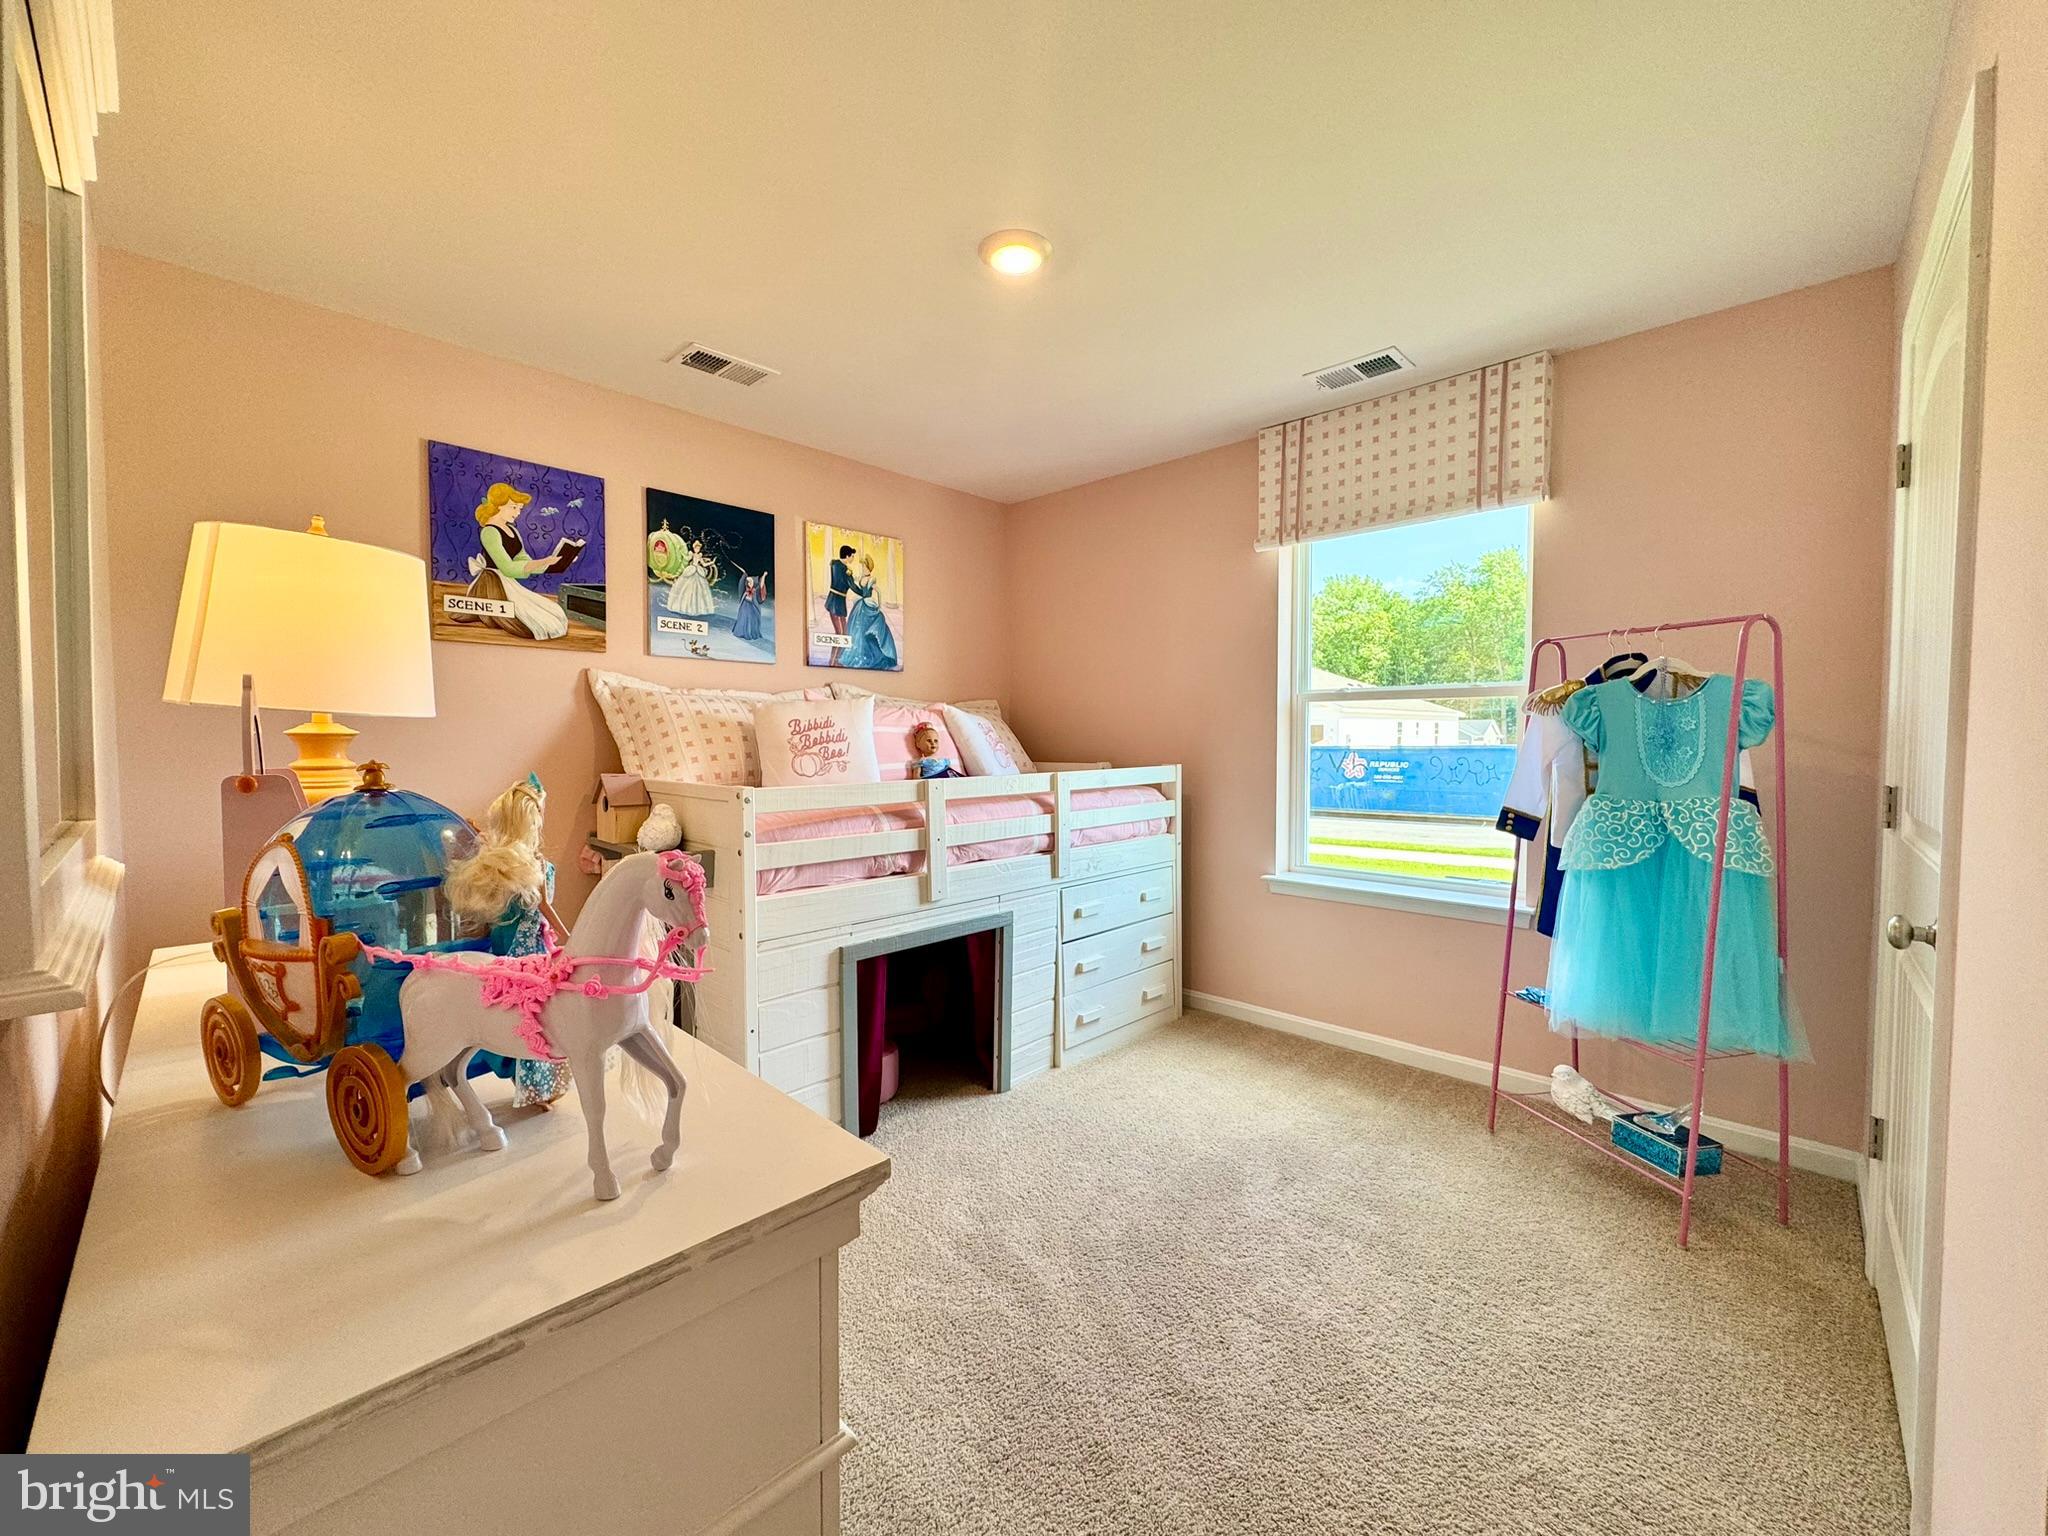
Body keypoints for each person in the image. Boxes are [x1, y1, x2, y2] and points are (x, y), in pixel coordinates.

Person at [443, 773, 573, 1106]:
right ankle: (532, 1081)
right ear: (531, 820)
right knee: (532, 1013)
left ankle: (533, 1080)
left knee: (521, 1011)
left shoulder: (505, 863)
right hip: (525, 945)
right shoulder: (533, 864)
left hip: (513, 939)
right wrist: (569, 936)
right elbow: (544, 907)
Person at [453, 482, 582, 641]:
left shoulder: (513, 530)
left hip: (507, 582)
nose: (518, 512)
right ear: (499, 506)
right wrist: (544, 561)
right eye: (514, 507)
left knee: (555, 613)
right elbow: (508, 568)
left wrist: (556, 563)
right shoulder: (489, 532)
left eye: (520, 508)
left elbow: (523, 561)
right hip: (493, 584)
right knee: (540, 623)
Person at [840, 552, 900, 671]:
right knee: (857, 630)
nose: (862, 568)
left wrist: (879, 604)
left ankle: (875, 654)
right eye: (862, 566)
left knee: (868, 630)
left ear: (868, 566)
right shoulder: (861, 577)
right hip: (861, 604)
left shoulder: (872, 578)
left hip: (868, 604)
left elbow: (877, 591)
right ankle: (857, 654)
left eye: (864, 566)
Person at [663, 538, 718, 618]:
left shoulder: (699, 555)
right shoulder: (691, 554)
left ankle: (698, 608)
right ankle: (684, 606)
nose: (697, 549)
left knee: (699, 590)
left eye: (698, 548)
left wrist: (711, 563)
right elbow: (686, 560)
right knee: (686, 588)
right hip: (691, 570)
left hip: (698, 571)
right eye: (696, 547)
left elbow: (703, 564)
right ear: (693, 547)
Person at [824, 543, 855, 663]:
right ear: (847, 556)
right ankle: (832, 663)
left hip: (833, 602)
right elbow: (853, 586)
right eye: (852, 556)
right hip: (837, 604)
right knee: (841, 635)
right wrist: (865, 592)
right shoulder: (846, 570)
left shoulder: (835, 564)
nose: (852, 559)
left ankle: (836, 661)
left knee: (843, 634)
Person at [732, 568, 764, 641]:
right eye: (748, 582)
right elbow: (743, 597)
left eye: (750, 582)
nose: (749, 583)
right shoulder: (746, 591)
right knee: (743, 618)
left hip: (751, 607)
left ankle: (749, 633)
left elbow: (761, 585)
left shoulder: (754, 590)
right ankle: (741, 632)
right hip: (745, 606)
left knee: (750, 620)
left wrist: (764, 576)